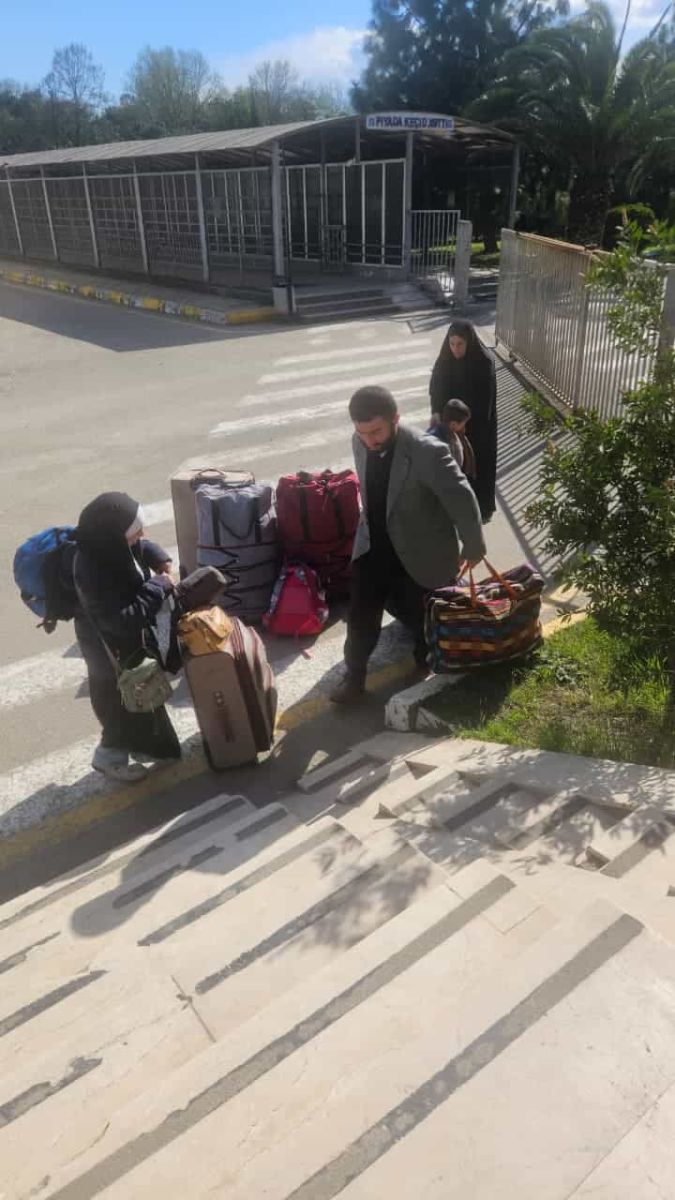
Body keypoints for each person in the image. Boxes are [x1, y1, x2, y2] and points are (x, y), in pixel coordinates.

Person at [330, 386, 485, 704]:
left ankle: (424, 660)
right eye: (362, 433)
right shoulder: (359, 442)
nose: (370, 441)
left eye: (376, 431)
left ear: (395, 418)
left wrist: (473, 546)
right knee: (360, 616)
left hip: (419, 548)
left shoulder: (427, 451)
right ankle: (353, 678)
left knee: (420, 613)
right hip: (374, 547)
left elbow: (461, 497)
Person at [73, 491, 180, 783]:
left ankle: (150, 750)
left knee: (140, 700)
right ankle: (109, 758)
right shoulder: (93, 572)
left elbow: (140, 547)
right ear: (114, 535)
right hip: (109, 652)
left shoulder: (109, 545)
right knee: (121, 706)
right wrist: (159, 586)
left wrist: (158, 558)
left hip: (123, 649)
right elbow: (123, 620)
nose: (141, 535)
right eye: (135, 531)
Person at [429, 319, 497, 522]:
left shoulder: (484, 363)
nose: (455, 349)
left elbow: (485, 403)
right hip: (450, 426)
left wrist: (464, 424)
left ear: (469, 342)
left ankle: (480, 508)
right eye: (452, 343)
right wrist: (436, 413)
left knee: (477, 466)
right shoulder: (445, 359)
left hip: (477, 427)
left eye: (460, 344)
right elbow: (436, 388)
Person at [427, 398, 477, 480]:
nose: (464, 427)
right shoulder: (446, 443)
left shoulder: (434, 430)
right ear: (453, 424)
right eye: (463, 424)